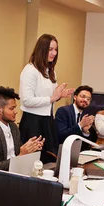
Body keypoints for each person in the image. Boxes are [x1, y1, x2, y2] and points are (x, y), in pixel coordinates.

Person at [19, 33, 73, 162]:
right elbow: (26, 100)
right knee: (35, 162)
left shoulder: (51, 71)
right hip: (33, 122)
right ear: (41, 49)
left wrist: (59, 96)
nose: (54, 53)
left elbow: (49, 97)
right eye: (50, 49)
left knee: (50, 159)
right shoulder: (30, 70)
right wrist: (52, 98)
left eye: (56, 49)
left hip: (48, 120)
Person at [0, 86, 44, 173]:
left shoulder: (13, 127)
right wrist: (20, 157)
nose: (15, 111)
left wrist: (31, 148)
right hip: (0, 178)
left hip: (17, 172)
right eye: (11, 108)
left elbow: (18, 152)